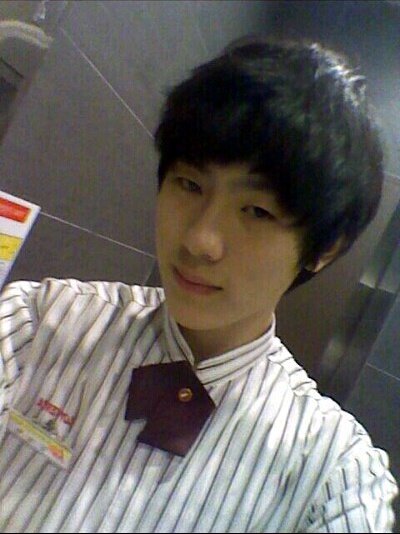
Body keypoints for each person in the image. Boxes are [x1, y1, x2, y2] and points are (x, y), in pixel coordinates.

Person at [0, 35, 398, 533]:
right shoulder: (37, 322)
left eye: (257, 211)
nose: (200, 240)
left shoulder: (330, 475)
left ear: (325, 249)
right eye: (189, 185)